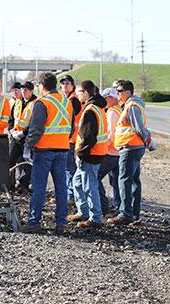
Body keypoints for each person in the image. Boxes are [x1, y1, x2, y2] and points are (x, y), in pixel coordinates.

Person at [23, 72, 73, 234]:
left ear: (41, 86)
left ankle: (34, 222)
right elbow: (70, 127)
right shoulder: (67, 102)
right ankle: (61, 222)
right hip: (63, 149)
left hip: (44, 150)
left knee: (39, 187)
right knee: (61, 188)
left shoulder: (42, 103)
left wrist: (27, 147)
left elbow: (36, 130)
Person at [107, 80, 155, 225]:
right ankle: (134, 213)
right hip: (133, 147)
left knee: (125, 180)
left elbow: (138, 127)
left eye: (120, 91)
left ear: (128, 92)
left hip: (130, 147)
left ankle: (125, 214)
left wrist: (148, 142)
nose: (117, 93)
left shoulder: (132, 106)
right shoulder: (130, 105)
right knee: (133, 180)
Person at [69, 80, 108, 228]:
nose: (77, 95)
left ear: (85, 92)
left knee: (89, 187)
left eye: (79, 92)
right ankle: (83, 211)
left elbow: (88, 137)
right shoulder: (97, 107)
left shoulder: (91, 109)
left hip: (90, 155)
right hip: (94, 153)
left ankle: (95, 218)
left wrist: (80, 154)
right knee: (77, 182)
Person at [9, 81, 37, 193]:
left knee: (26, 163)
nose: (23, 92)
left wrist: (23, 133)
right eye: (22, 90)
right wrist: (11, 130)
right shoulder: (18, 102)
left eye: (25, 90)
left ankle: (23, 185)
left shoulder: (36, 103)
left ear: (31, 91)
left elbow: (35, 123)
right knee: (10, 160)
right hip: (15, 137)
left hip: (27, 138)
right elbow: (11, 118)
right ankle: (10, 184)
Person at [97, 88, 122, 214]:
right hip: (118, 152)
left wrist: (101, 149)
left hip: (111, 152)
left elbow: (111, 135)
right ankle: (119, 208)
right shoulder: (118, 109)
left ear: (109, 98)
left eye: (105, 98)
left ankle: (103, 206)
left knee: (95, 177)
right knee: (117, 182)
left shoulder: (112, 113)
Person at [59, 74, 82, 207]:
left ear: (72, 85)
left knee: (69, 169)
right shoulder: (66, 98)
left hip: (71, 138)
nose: (65, 85)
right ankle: (69, 194)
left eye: (67, 83)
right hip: (66, 138)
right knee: (66, 168)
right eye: (63, 83)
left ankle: (71, 196)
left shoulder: (73, 100)